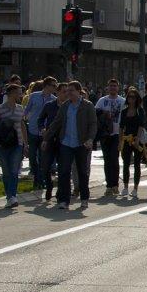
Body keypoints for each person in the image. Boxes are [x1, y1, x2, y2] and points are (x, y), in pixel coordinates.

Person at [43, 80, 98, 211]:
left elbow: (93, 124)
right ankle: (63, 200)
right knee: (64, 172)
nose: (69, 93)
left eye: (71, 90)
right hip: (66, 143)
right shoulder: (65, 106)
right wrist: (46, 138)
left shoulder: (87, 105)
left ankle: (84, 198)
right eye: (67, 91)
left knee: (82, 172)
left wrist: (90, 139)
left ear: (79, 91)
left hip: (81, 143)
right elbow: (56, 123)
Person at [0, 83, 28, 208]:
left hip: (17, 143)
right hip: (3, 145)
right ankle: (9, 196)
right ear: (11, 93)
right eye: (18, 93)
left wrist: (25, 143)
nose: (21, 95)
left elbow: (22, 125)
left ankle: (12, 196)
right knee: (6, 171)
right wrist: (5, 125)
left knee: (14, 171)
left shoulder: (20, 108)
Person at [23, 76, 57, 194]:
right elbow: (27, 110)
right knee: (32, 157)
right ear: (47, 86)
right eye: (53, 85)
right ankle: (37, 178)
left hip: (45, 133)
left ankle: (40, 181)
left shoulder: (53, 99)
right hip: (33, 130)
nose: (55, 88)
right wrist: (24, 117)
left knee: (43, 159)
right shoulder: (34, 96)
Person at [95, 79, 126, 196]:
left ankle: (115, 185)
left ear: (118, 88)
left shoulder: (122, 101)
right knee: (107, 160)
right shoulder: (102, 101)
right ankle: (109, 185)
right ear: (107, 88)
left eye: (115, 86)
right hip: (105, 134)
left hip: (117, 134)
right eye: (111, 86)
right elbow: (95, 114)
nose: (113, 88)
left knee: (114, 159)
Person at [119, 88, 146, 197]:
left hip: (137, 139)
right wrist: (120, 142)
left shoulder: (140, 111)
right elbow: (121, 127)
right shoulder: (124, 112)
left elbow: (141, 125)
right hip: (127, 139)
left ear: (137, 99)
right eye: (129, 97)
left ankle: (135, 188)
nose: (131, 99)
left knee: (137, 165)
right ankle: (125, 187)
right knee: (125, 164)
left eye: (133, 97)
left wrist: (138, 140)